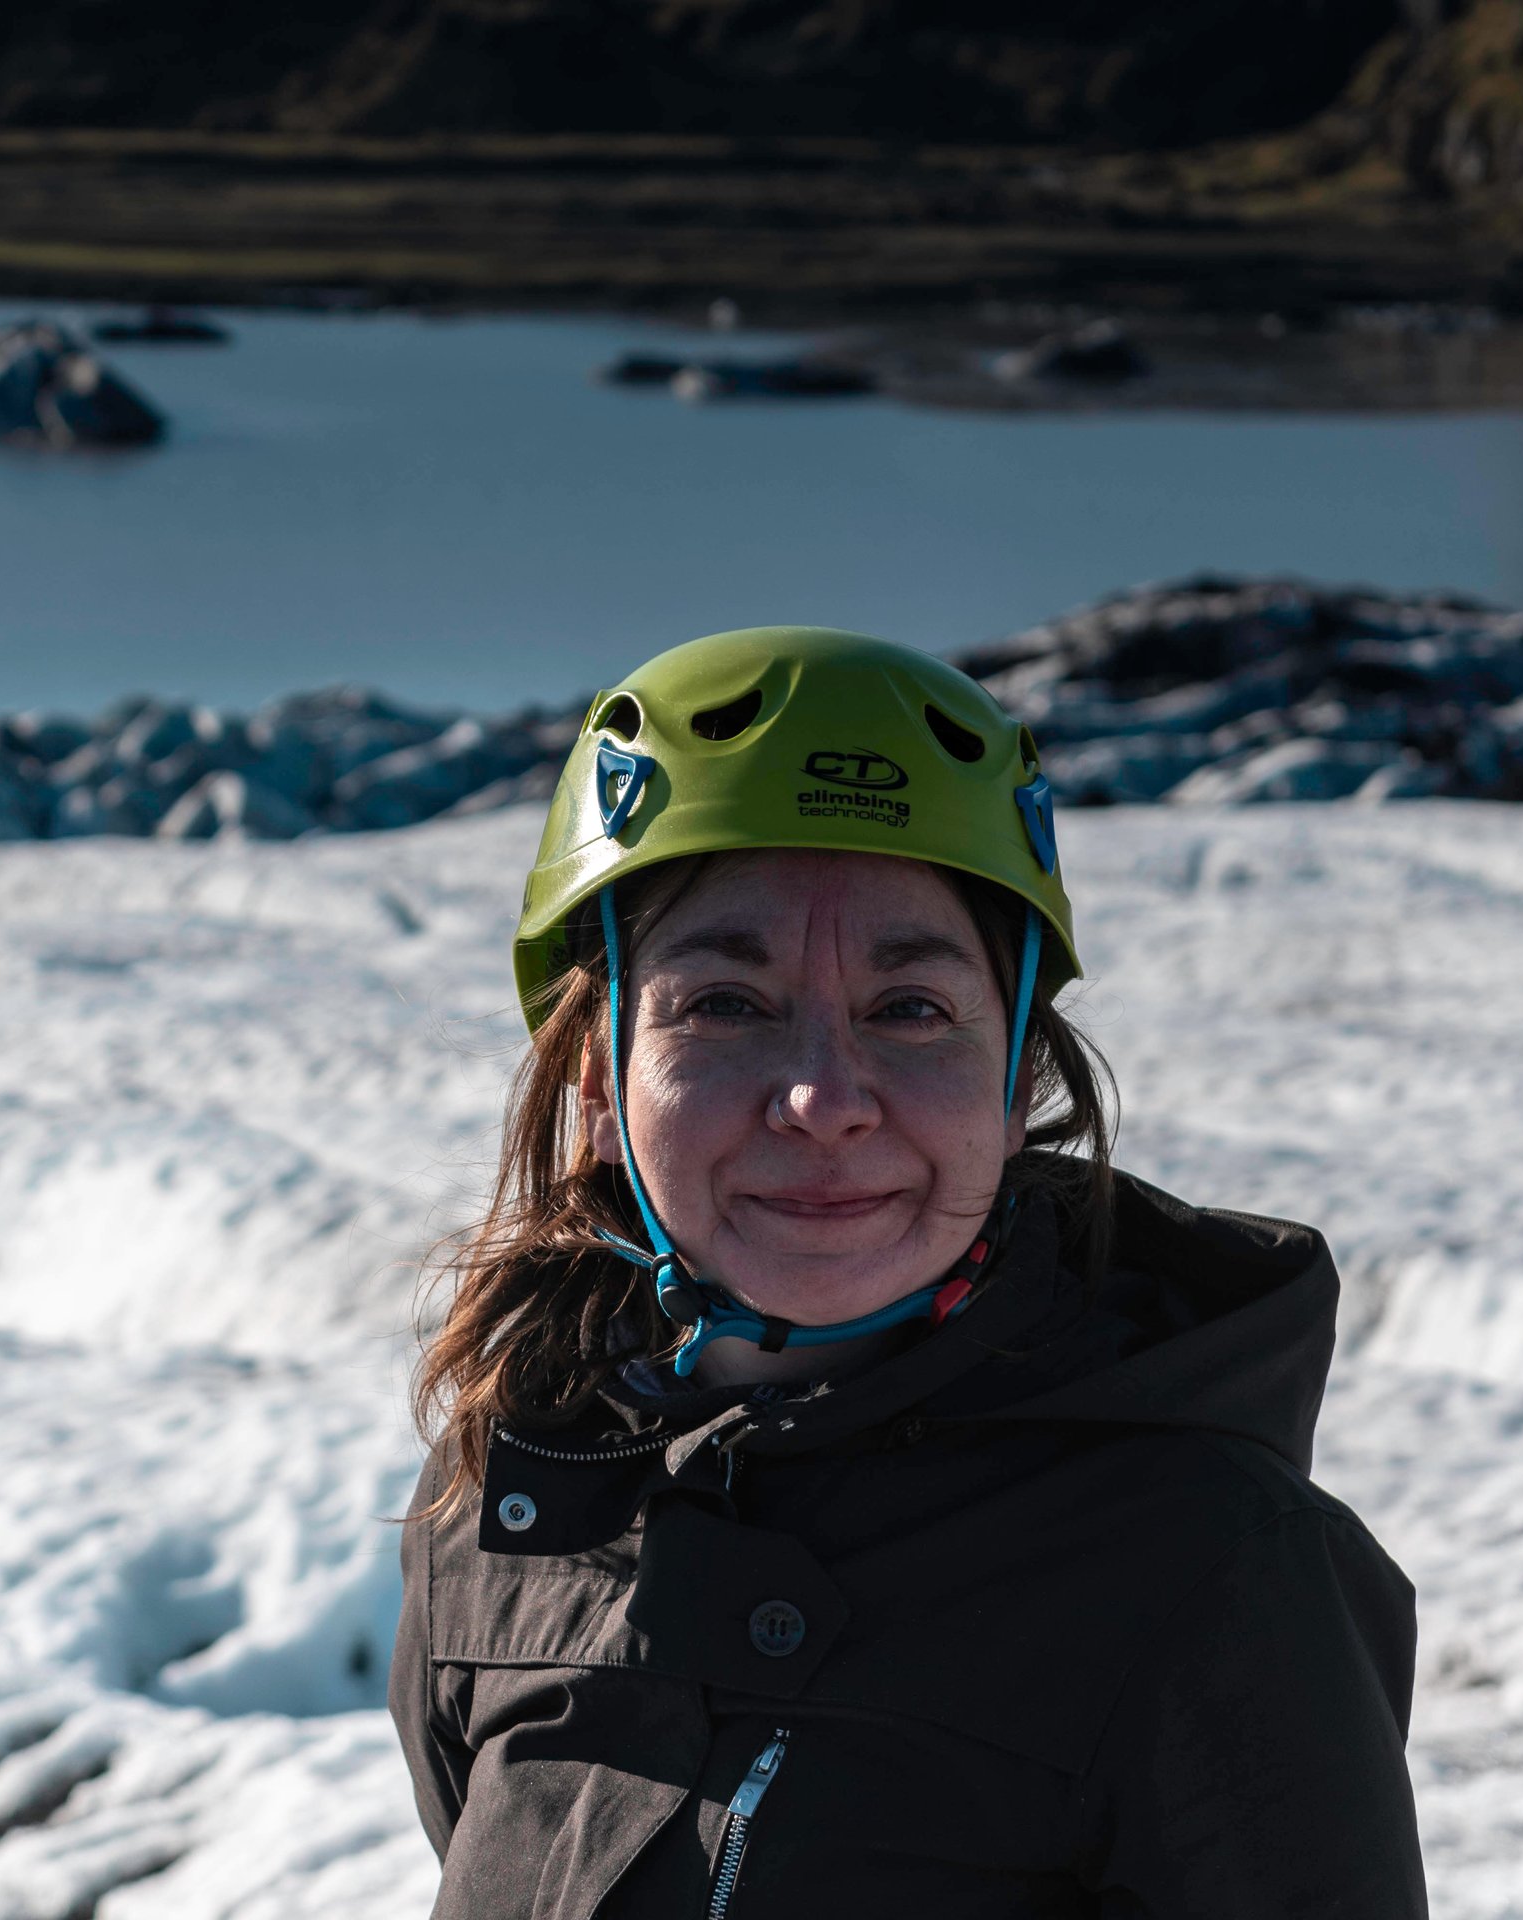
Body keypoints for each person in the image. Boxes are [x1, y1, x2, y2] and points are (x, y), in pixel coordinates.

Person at [392, 626, 1426, 1919]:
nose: (824, 1099)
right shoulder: (506, 1491)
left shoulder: (1218, 1570)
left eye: (912, 1010)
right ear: (599, 1080)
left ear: (1015, 1085)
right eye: (725, 1004)